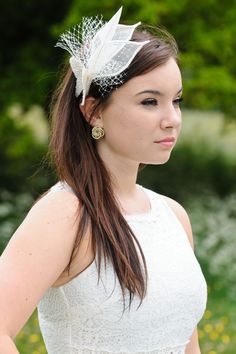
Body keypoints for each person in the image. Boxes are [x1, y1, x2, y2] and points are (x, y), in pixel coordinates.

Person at [0, 7, 207, 354]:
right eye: (150, 101)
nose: (172, 119)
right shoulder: (66, 213)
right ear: (94, 110)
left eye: (177, 101)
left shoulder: (174, 216)